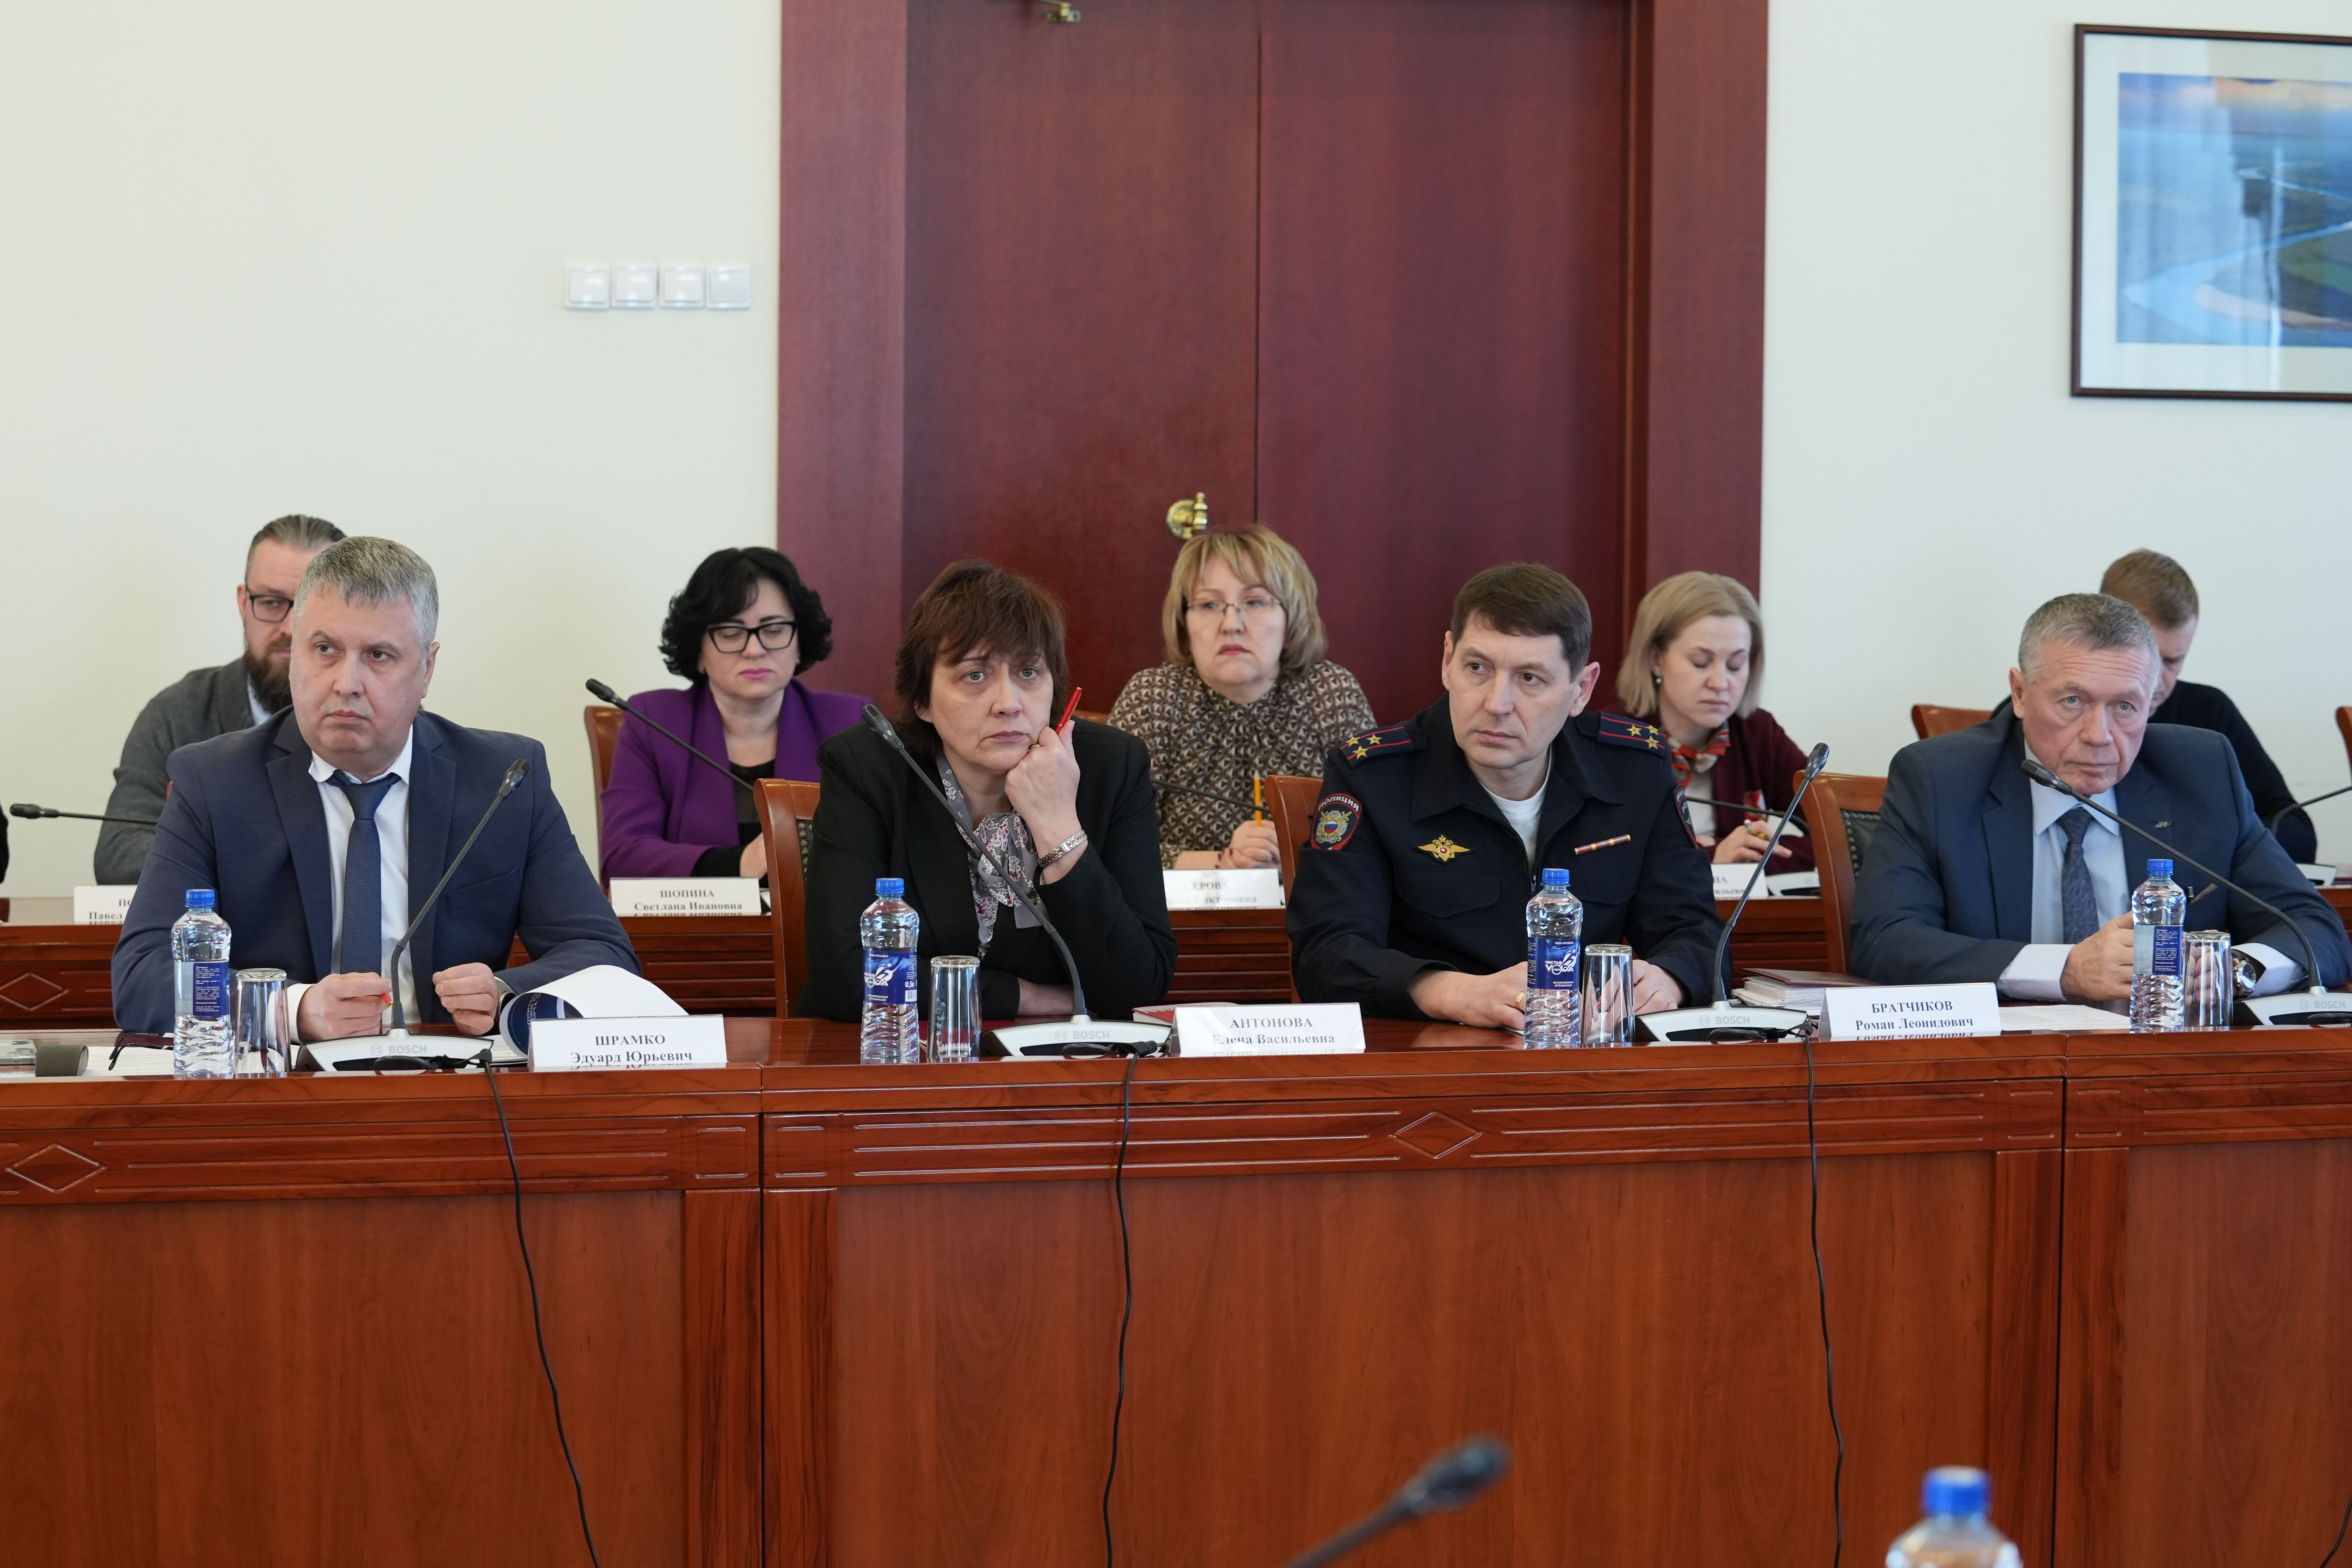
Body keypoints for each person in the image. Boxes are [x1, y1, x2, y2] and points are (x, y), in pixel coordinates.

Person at [112, 538, 638, 1040]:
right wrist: (293, 1010)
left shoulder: (503, 780)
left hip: (450, 1078)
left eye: (380, 655)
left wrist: (503, 994)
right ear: (295, 653)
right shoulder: (214, 782)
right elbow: (141, 975)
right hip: (287, 1080)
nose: (347, 683)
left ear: (426, 668)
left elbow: (604, 956)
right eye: (325, 649)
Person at [1849, 593, 2348, 1000]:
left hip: (2166, 1061)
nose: (2099, 735)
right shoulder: (1940, 778)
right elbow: (1884, 939)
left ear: (2152, 701)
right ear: (2019, 693)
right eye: (2072, 701)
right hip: (2003, 1062)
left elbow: (2316, 929)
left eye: (2125, 706)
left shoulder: (2202, 773)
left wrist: (2234, 970)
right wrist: (2064, 970)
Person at [1288, 563, 1722, 1026]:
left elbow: (1695, 931)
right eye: (1477, 667)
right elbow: (1326, 955)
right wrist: (1453, 992)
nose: (1496, 704)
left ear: (1581, 690)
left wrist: (1668, 980)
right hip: (1429, 1050)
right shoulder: (1373, 777)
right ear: (1447, 661)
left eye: (1530, 678)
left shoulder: (1635, 771)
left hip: (1583, 1049)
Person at [795, 561, 1176, 1023]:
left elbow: (1139, 985)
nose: (1008, 703)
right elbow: (847, 975)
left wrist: (1058, 828)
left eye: (1028, 672)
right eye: (975, 675)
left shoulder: (1111, 768)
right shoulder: (867, 767)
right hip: (894, 1052)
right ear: (921, 700)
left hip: (1061, 1058)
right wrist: (1023, 998)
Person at [95, 515, 347, 884]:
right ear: (244, 603)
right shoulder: (176, 714)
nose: (289, 628)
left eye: (310, 607)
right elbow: (120, 855)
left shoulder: (376, 715)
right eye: (271, 602)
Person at [1107, 524, 1374, 869]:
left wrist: (1295, 857)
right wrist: (1224, 863)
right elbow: (1112, 845)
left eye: (1254, 602)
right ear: (1184, 625)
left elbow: (1374, 836)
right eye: (1209, 604)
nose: (1231, 624)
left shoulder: (1331, 693)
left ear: (1291, 620)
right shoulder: (1154, 697)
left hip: (1312, 899)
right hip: (1182, 904)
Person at [599, 547, 869, 882]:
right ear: (699, 651)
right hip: (699, 918)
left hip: (817, 917)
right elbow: (622, 856)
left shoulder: (849, 722)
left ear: (799, 643)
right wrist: (739, 864)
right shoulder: (653, 723)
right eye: (731, 633)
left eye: (774, 630)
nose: (754, 650)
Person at [2099, 548, 2318, 864]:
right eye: (2147, 658)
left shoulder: (2208, 712)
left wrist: (2220, 844)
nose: (2157, 682)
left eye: (2173, 661)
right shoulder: (2054, 715)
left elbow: (2295, 830)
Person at [1614, 570, 1816, 873]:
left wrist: (1747, 855)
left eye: (1735, 665)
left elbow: (1843, 836)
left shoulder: (1758, 733)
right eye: (1701, 663)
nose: (1720, 683)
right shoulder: (1611, 737)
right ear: (1656, 659)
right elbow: (1605, 862)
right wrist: (1711, 859)